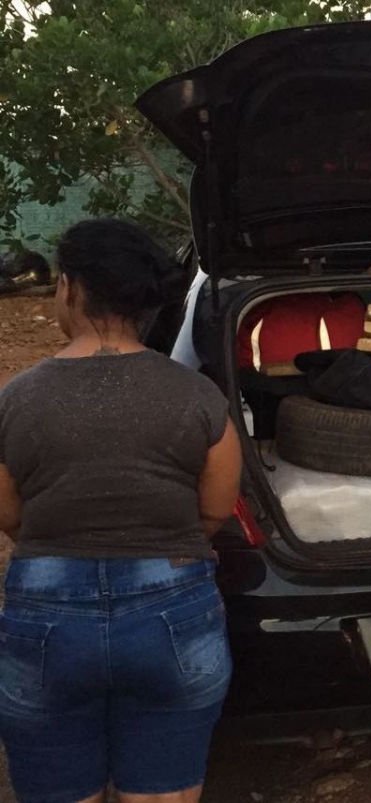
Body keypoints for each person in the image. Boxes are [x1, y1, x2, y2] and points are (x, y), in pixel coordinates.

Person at [0, 219, 242, 803]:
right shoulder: (198, 395)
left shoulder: (14, 398)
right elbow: (215, 509)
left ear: (69, 288)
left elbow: (9, 515)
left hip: (48, 617)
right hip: (173, 614)